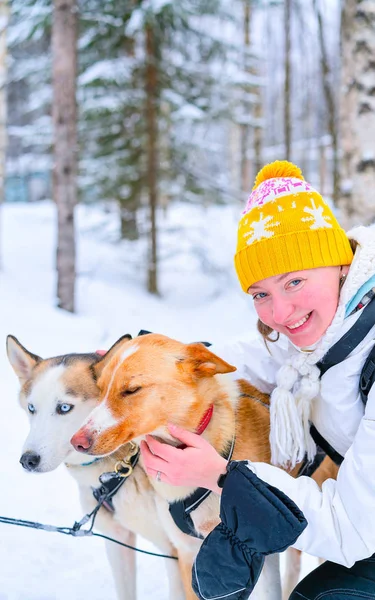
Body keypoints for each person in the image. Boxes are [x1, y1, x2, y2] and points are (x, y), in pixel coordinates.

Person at [140, 160, 375, 599]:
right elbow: (251, 358)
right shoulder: (327, 335)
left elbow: (351, 529)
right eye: (261, 294)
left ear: (341, 265)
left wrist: (226, 478)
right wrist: (144, 366)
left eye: (295, 282)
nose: (279, 314)